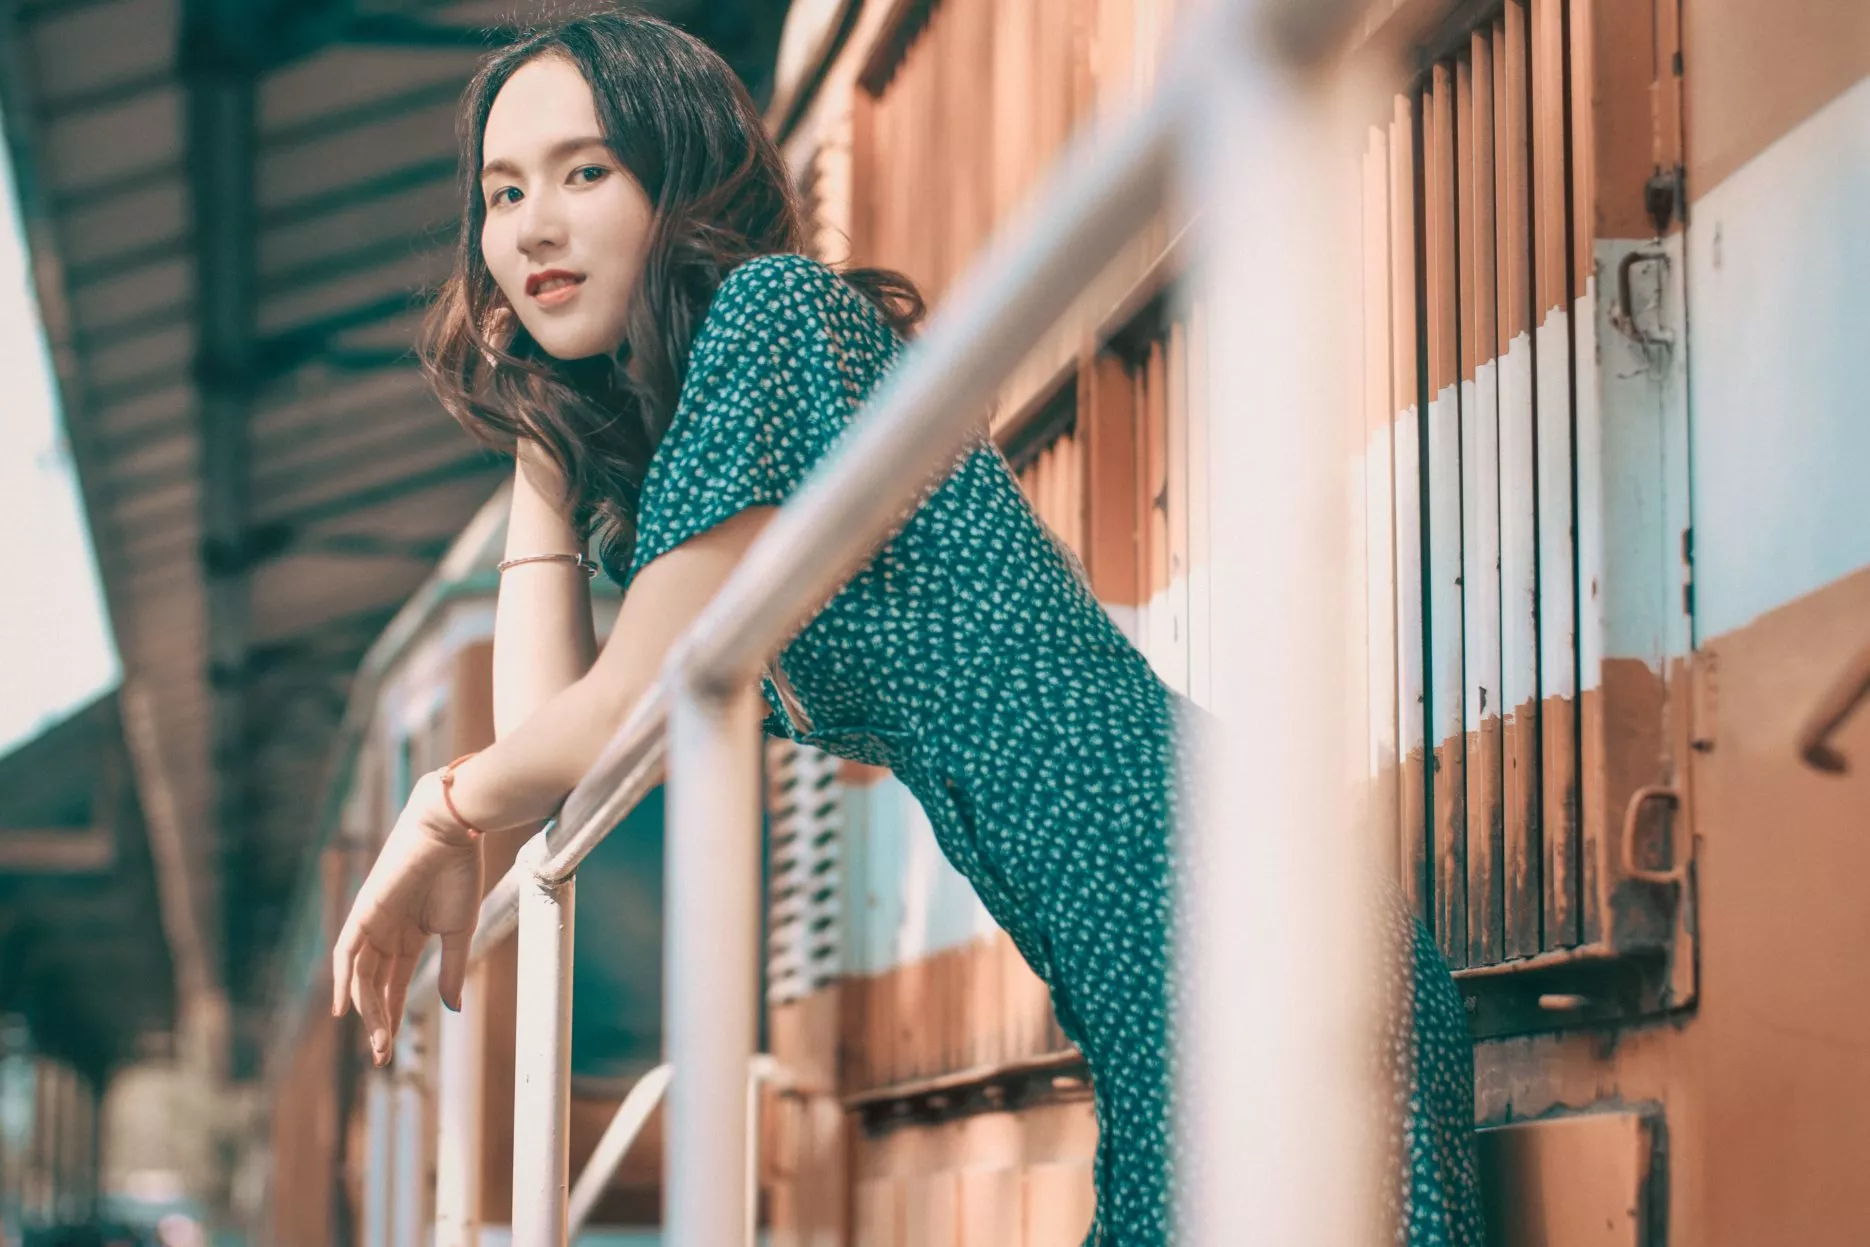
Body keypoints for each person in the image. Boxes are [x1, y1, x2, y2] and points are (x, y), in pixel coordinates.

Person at [328, 10, 1483, 1244]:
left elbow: (608, 711)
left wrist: (436, 807)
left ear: (679, 176)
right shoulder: (708, 397)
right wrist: (541, 442)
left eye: (584, 172)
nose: (533, 227)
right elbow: (558, 753)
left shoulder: (771, 316)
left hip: (1226, 926)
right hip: (1167, 953)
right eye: (502, 195)